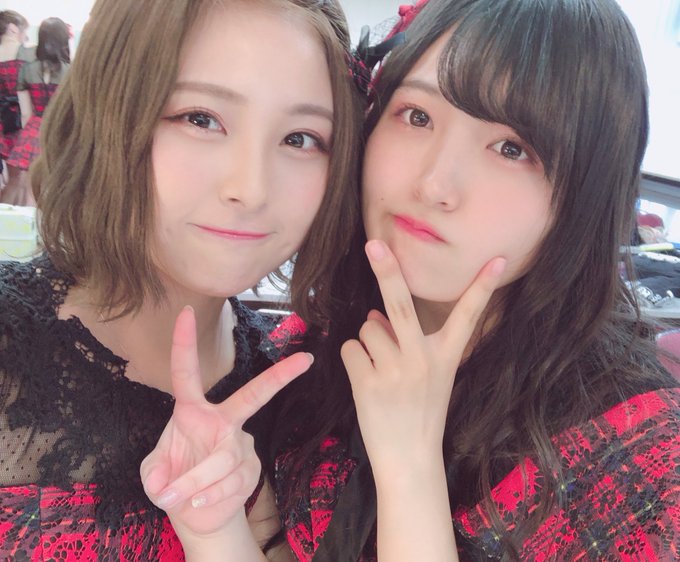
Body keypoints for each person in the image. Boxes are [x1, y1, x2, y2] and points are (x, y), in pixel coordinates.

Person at [145, 0, 680, 560]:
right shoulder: (304, 358)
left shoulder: (638, 453)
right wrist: (215, 523)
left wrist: (409, 468)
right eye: (417, 117)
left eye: (512, 149)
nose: (434, 185)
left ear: (586, 198)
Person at [0, 0, 363, 559]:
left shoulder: (295, 396)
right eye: (201, 119)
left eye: (300, 138)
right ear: (109, 110)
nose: (251, 189)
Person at [4, 17, 71, 206]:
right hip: (59, 130)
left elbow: (25, 112)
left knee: (29, 187)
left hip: (34, 128)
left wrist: (29, 134)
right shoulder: (70, 72)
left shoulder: (27, 70)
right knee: (53, 187)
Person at [0, 10, 32, 204]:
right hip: (17, 120)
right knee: (19, 178)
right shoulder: (27, 55)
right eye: (24, 31)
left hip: (3, 121)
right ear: (12, 28)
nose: (24, 36)